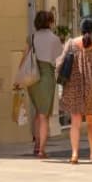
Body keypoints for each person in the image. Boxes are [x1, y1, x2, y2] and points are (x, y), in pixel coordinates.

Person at [58, 16, 92, 165]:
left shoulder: (70, 43)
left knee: (75, 122)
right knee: (91, 120)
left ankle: (74, 154)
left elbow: (60, 62)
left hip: (73, 85)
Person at [25, 10, 62, 158]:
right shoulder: (54, 39)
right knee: (44, 115)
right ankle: (41, 149)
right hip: (46, 76)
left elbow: (24, 56)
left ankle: (36, 144)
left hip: (32, 77)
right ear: (50, 22)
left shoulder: (32, 37)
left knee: (37, 113)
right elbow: (58, 59)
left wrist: (18, 78)